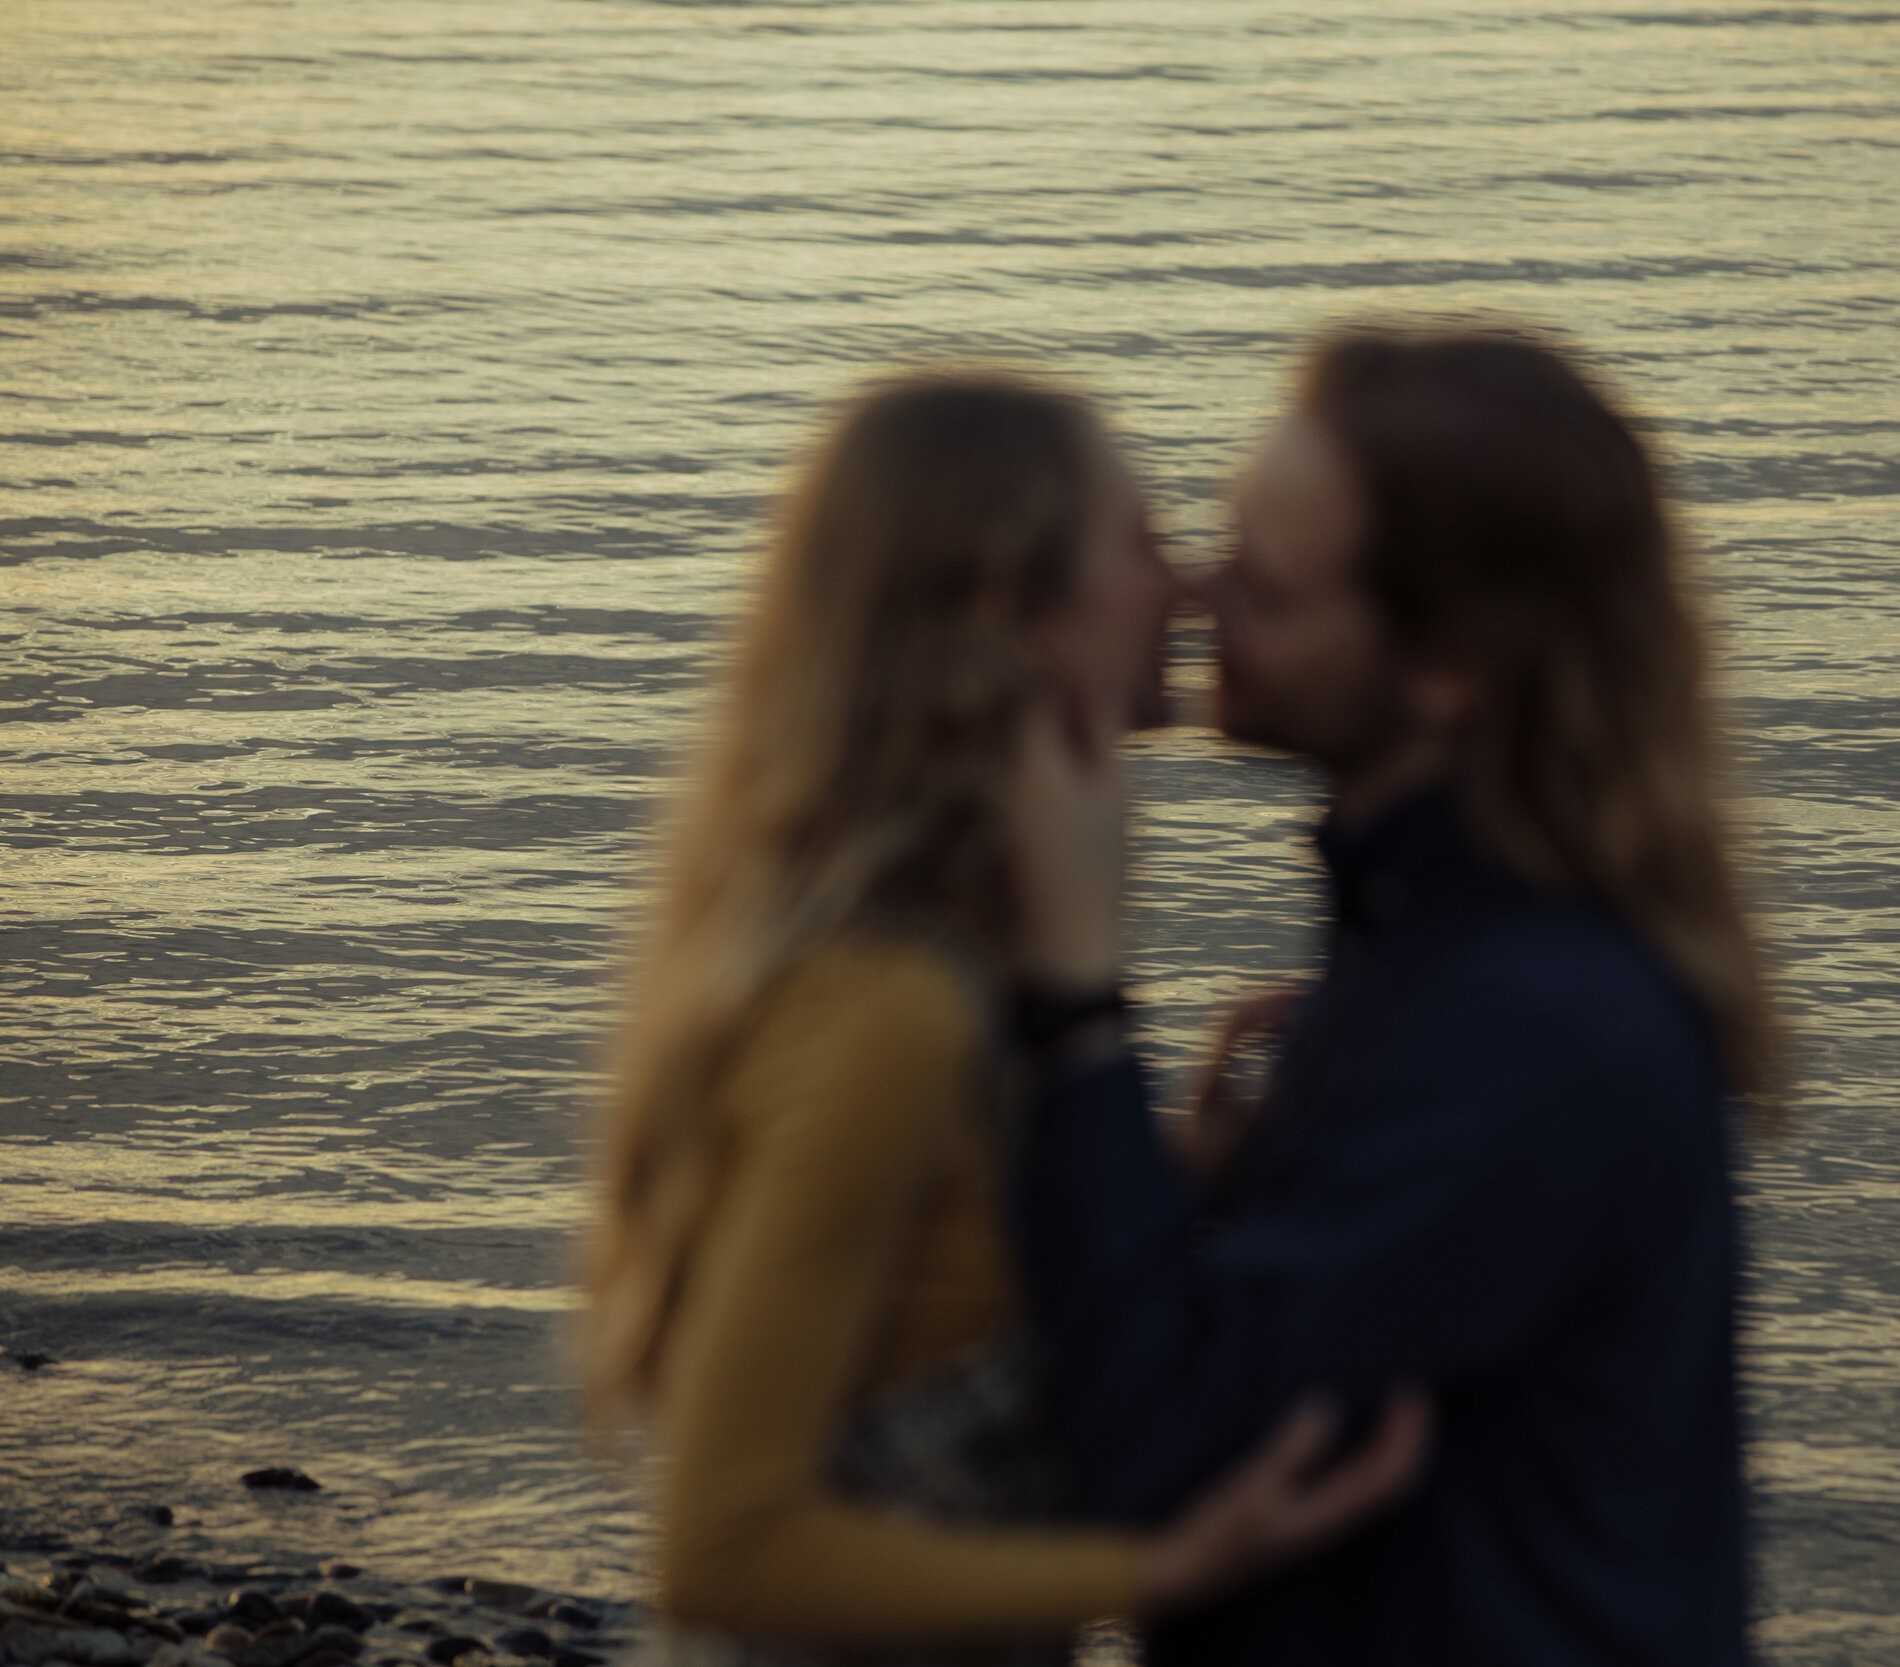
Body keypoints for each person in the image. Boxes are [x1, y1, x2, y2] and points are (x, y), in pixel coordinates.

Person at [580, 372, 1431, 1667]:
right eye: (1145, 545)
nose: (1193, 588)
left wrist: (1171, 1185)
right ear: (1013, 615)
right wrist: (1168, 1565)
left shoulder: (956, 957)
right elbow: (722, 1550)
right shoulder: (891, 1010)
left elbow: (926, 1320)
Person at [1008, 325, 1782, 1665]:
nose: (1195, 595)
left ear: (1453, 668)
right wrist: (1215, 1194)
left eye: (1265, 582)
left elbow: (1158, 1443)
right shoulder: (1440, 961)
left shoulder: (1529, 1032)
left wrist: (1076, 997)